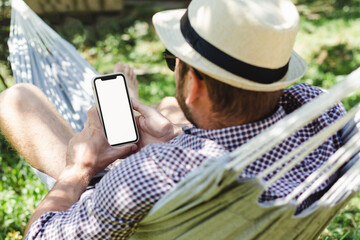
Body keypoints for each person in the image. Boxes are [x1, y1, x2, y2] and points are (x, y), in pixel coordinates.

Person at [0, 0, 345, 239]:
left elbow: (42, 236)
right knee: (167, 106)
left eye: (173, 60)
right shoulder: (322, 112)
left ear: (193, 84)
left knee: (17, 100)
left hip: (133, 202)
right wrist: (176, 135)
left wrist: (80, 167)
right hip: (227, 180)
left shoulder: (148, 176)